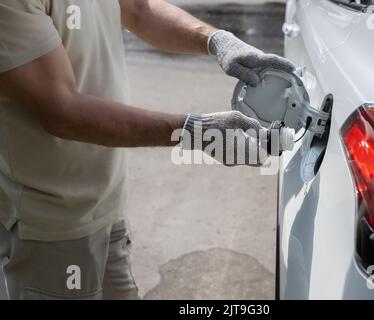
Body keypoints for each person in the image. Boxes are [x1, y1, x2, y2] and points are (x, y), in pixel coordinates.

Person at [0, 0, 294, 299]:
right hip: (49, 225)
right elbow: (60, 112)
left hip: (106, 204)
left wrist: (216, 40)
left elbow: (139, 10)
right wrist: (192, 130)